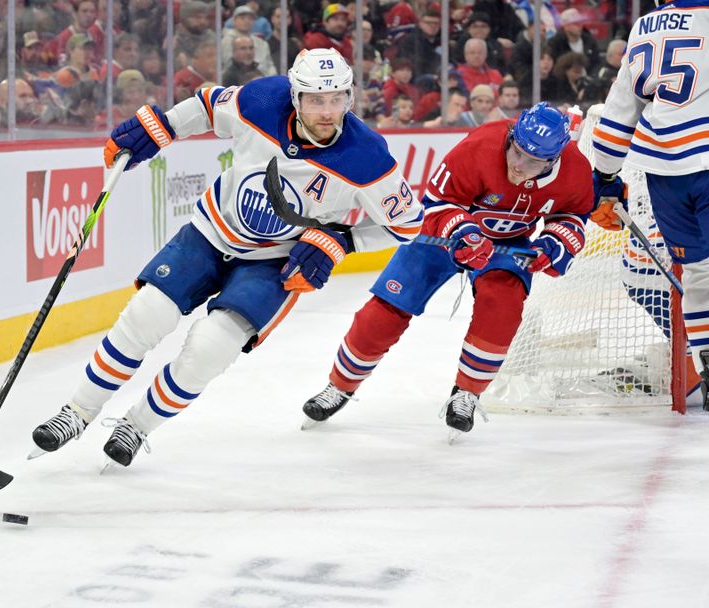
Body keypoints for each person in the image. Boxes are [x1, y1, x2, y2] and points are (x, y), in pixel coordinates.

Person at [31, 48, 425, 467]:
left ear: (349, 97)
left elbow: (406, 225)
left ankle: (137, 426)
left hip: (275, 262)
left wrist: (341, 241)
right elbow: (206, 107)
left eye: (337, 99)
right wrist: (163, 127)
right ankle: (76, 412)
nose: (328, 112)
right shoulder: (261, 101)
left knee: (210, 348)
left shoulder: (367, 157)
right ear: (295, 97)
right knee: (147, 314)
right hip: (210, 231)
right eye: (315, 99)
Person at [299, 103, 593, 438]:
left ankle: (467, 393)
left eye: (534, 162)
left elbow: (573, 215)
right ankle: (339, 386)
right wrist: (464, 232)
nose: (519, 166)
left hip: (509, 242)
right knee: (385, 310)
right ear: (511, 137)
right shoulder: (480, 146)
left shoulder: (576, 170)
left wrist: (555, 244)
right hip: (443, 237)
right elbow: (437, 203)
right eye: (517, 152)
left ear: (553, 160)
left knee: (503, 304)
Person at [590, 0, 709, 409]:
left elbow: (619, 111)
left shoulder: (644, 25)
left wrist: (604, 176)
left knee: (697, 274)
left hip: (663, 174)